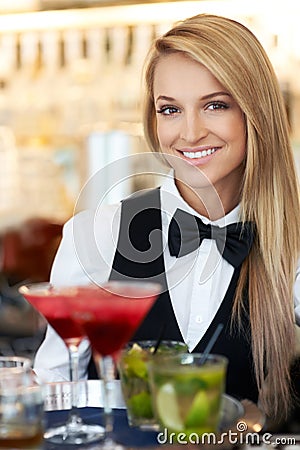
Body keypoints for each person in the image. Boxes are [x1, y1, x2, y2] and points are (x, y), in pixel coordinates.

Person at [33, 13, 300, 425]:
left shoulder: (292, 251)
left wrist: (258, 426)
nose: (190, 133)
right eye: (170, 109)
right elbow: (53, 390)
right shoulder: (96, 234)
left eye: (215, 105)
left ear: (256, 112)